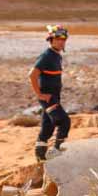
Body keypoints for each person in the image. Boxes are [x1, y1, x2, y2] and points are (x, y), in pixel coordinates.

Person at [28, 25, 71, 162]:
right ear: (51, 40)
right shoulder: (46, 56)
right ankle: (56, 151)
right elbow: (32, 75)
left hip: (54, 97)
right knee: (64, 121)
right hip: (48, 98)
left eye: (63, 39)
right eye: (58, 39)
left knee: (48, 127)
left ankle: (40, 157)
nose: (61, 42)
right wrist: (40, 95)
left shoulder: (57, 56)